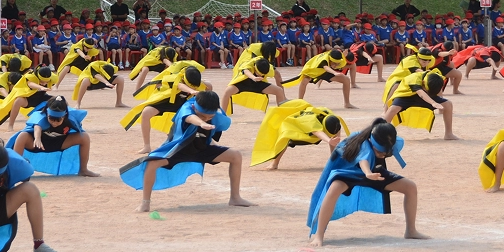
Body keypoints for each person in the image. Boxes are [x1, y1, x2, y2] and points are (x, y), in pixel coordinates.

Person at [119, 91, 253, 212]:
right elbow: (189, 117)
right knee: (151, 163)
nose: (206, 119)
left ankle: (235, 198)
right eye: (202, 116)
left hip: (201, 149)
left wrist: (209, 134)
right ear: (195, 107)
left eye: (209, 117)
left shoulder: (215, 114)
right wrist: (201, 123)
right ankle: (145, 203)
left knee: (236, 155)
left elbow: (214, 131)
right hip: (179, 150)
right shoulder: (187, 108)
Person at [307, 119, 427, 246]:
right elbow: (363, 161)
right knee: (334, 189)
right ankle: (319, 235)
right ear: (371, 140)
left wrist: (372, 173)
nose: (383, 155)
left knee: (410, 187)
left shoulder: (388, 138)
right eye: (380, 151)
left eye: (386, 153)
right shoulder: (363, 144)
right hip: (350, 172)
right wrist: (368, 174)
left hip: (374, 172)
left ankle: (411, 231)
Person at [12, 96, 98, 177]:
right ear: (47, 113)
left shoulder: (70, 119)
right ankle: (16, 170)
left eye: (58, 120)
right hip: (38, 144)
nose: (54, 123)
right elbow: (37, 127)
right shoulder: (41, 117)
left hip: (59, 144)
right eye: (51, 119)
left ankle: (83, 170)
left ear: (64, 116)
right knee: (22, 136)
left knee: (84, 137)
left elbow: (79, 129)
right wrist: (37, 139)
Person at [251, 99, 347, 169]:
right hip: (294, 127)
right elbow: (317, 131)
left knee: (333, 137)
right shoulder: (310, 120)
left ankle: (333, 160)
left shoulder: (330, 116)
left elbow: (335, 135)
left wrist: (333, 144)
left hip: (314, 130)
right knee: (285, 138)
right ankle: (274, 164)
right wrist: (329, 140)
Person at [383, 70, 458, 140]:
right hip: (406, 95)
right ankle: (381, 132)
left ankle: (448, 134)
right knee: (393, 109)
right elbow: (421, 93)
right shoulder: (414, 78)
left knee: (448, 104)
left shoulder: (436, 77)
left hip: (427, 95)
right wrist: (433, 103)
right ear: (422, 83)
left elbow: (438, 91)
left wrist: (440, 100)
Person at [0, 66, 58, 132]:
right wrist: (41, 87)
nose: (44, 84)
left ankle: (60, 123)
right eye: (41, 82)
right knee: (18, 101)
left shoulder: (52, 78)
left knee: (58, 100)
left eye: (46, 82)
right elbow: (30, 84)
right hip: (28, 98)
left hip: (41, 97)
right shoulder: (31, 76)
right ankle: (10, 125)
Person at [285, 49, 355, 109]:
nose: (336, 65)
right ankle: (299, 102)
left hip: (325, 72)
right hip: (314, 70)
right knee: (305, 81)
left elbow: (336, 64)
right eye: (335, 63)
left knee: (346, 79)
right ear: (330, 59)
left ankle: (347, 103)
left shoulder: (336, 56)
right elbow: (326, 67)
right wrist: (334, 72)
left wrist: (343, 56)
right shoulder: (324, 60)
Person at [221, 58, 287, 113]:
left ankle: (281, 113)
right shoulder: (250, 63)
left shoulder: (269, 68)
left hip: (258, 84)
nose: (260, 75)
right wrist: (254, 77)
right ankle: (223, 115)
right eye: (258, 73)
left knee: (279, 91)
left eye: (262, 75)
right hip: (243, 82)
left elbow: (277, 74)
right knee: (227, 91)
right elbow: (246, 71)